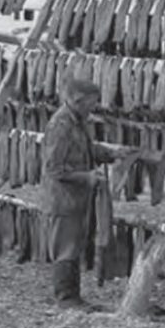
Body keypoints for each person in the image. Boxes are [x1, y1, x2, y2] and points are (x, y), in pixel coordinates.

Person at [41, 77, 114, 306]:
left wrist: (108, 154)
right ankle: (66, 298)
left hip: (77, 199)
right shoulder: (60, 126)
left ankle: (75, 297)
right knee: (65, 248)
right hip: (62, 200)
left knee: (74, 246)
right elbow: (54, 169)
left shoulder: (79, 121)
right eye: (92, 102)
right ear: (77, 100)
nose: (95, 106)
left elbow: (84, 149)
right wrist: (88, 177)